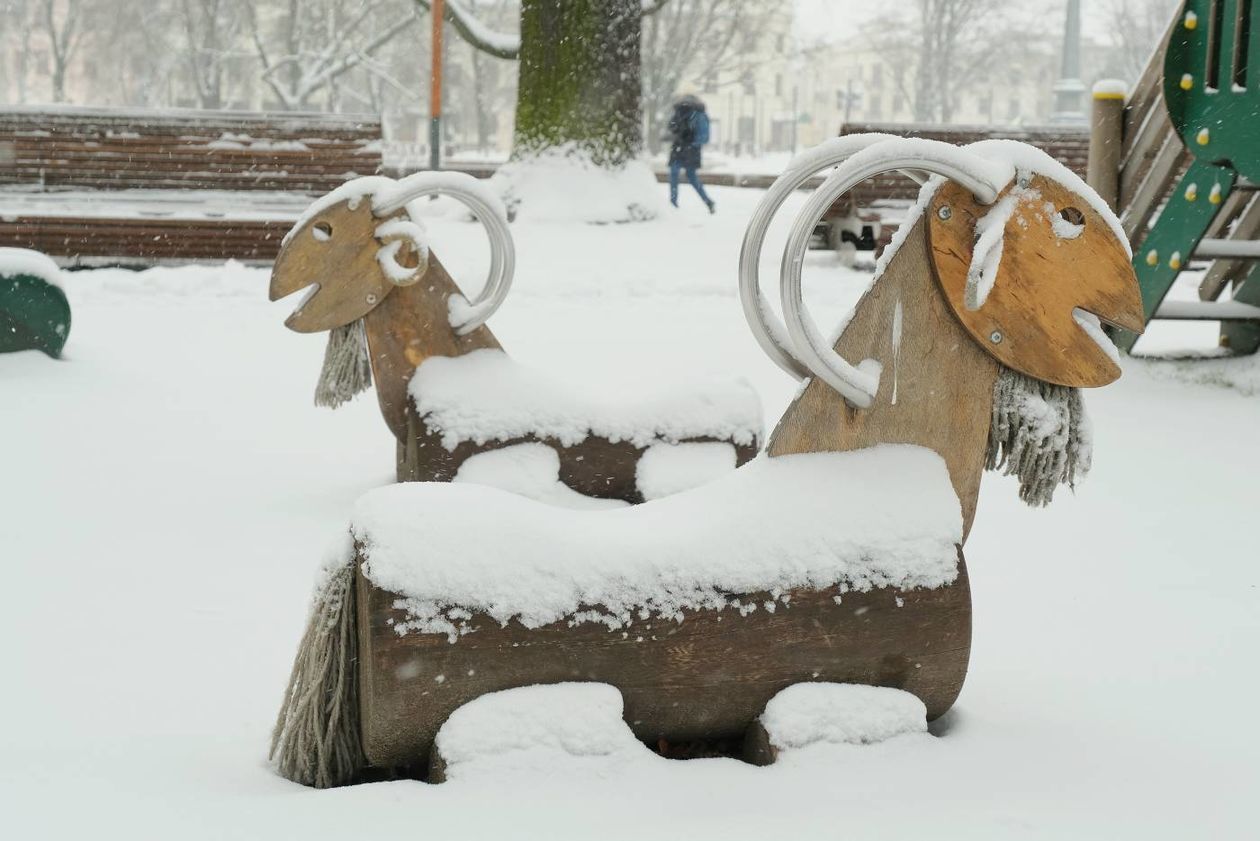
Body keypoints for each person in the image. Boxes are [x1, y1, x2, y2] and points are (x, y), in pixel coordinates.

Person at [667, 93, 715, 214]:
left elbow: (703, 136)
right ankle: (674, 203)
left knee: (681, 175)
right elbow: (704, 137)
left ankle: (706, 201)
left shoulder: (695, 115)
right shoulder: (692, 114)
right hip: (684, 149)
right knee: (681, 174)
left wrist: (690, 143)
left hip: (686, 149)